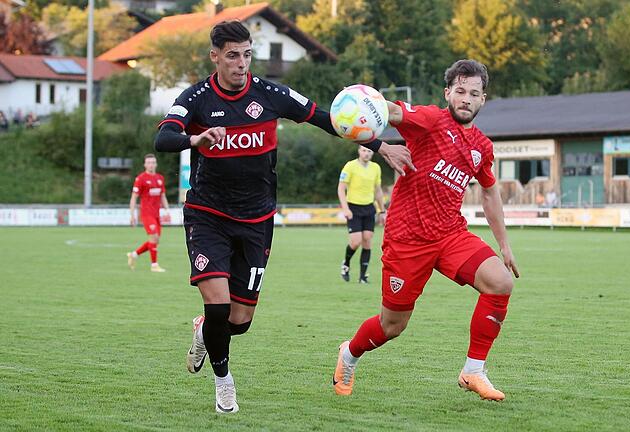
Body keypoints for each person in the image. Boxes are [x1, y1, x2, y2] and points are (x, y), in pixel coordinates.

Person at [153, 20, 413, 414]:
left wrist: (379, 146)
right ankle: (224, 382)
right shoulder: (197, 98)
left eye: (247, 54)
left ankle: (205, 331)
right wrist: (195, 138)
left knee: (238, 321)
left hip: (257, 219)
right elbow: (163, 136)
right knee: (219, 305)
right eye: (233, 56)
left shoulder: (270, 94)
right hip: (208, 215)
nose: (242, 64)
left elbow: (324, 118)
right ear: (215, 57)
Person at [332, 59, 520, 401]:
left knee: (500, 282)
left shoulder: (481, 147)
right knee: (393, 326)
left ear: (483, 100)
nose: (466, 98)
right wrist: (363, 100)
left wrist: (504, 246)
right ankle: (349, 354)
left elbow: (490, 192)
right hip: (407, 240)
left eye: (473, 93)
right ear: (447, 93)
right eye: (460, 91)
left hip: (450, 236)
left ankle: (473, 370)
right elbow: (393, 111)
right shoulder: (431, 120)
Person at [338, 146, 386, 284]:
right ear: (359, 151)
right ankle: (346, 264)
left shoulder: (376, 168)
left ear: (372, 153)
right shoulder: (350, 166)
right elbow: (341, 188)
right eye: (364, 150)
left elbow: (378, 191)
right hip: (353, 207)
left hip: (369, 208)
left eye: (369, 151)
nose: (366, 153)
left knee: (367, 239)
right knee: (355, 241)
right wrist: (345, 208)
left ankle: (363, 277)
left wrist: (382, 211)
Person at [127, 153, 169, 272]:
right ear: (145, 165)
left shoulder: (160, 178)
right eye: (149, 163)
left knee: (154, 240)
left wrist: (167, 210)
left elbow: (163, 196)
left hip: (156, 214)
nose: (151, 165)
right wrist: (132, 215)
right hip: (146, 214)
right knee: (154, 237)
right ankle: (154, 265)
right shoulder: (141, 178)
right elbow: (134, 197)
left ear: (156, 164)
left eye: (153, 162)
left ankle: (134, 255)